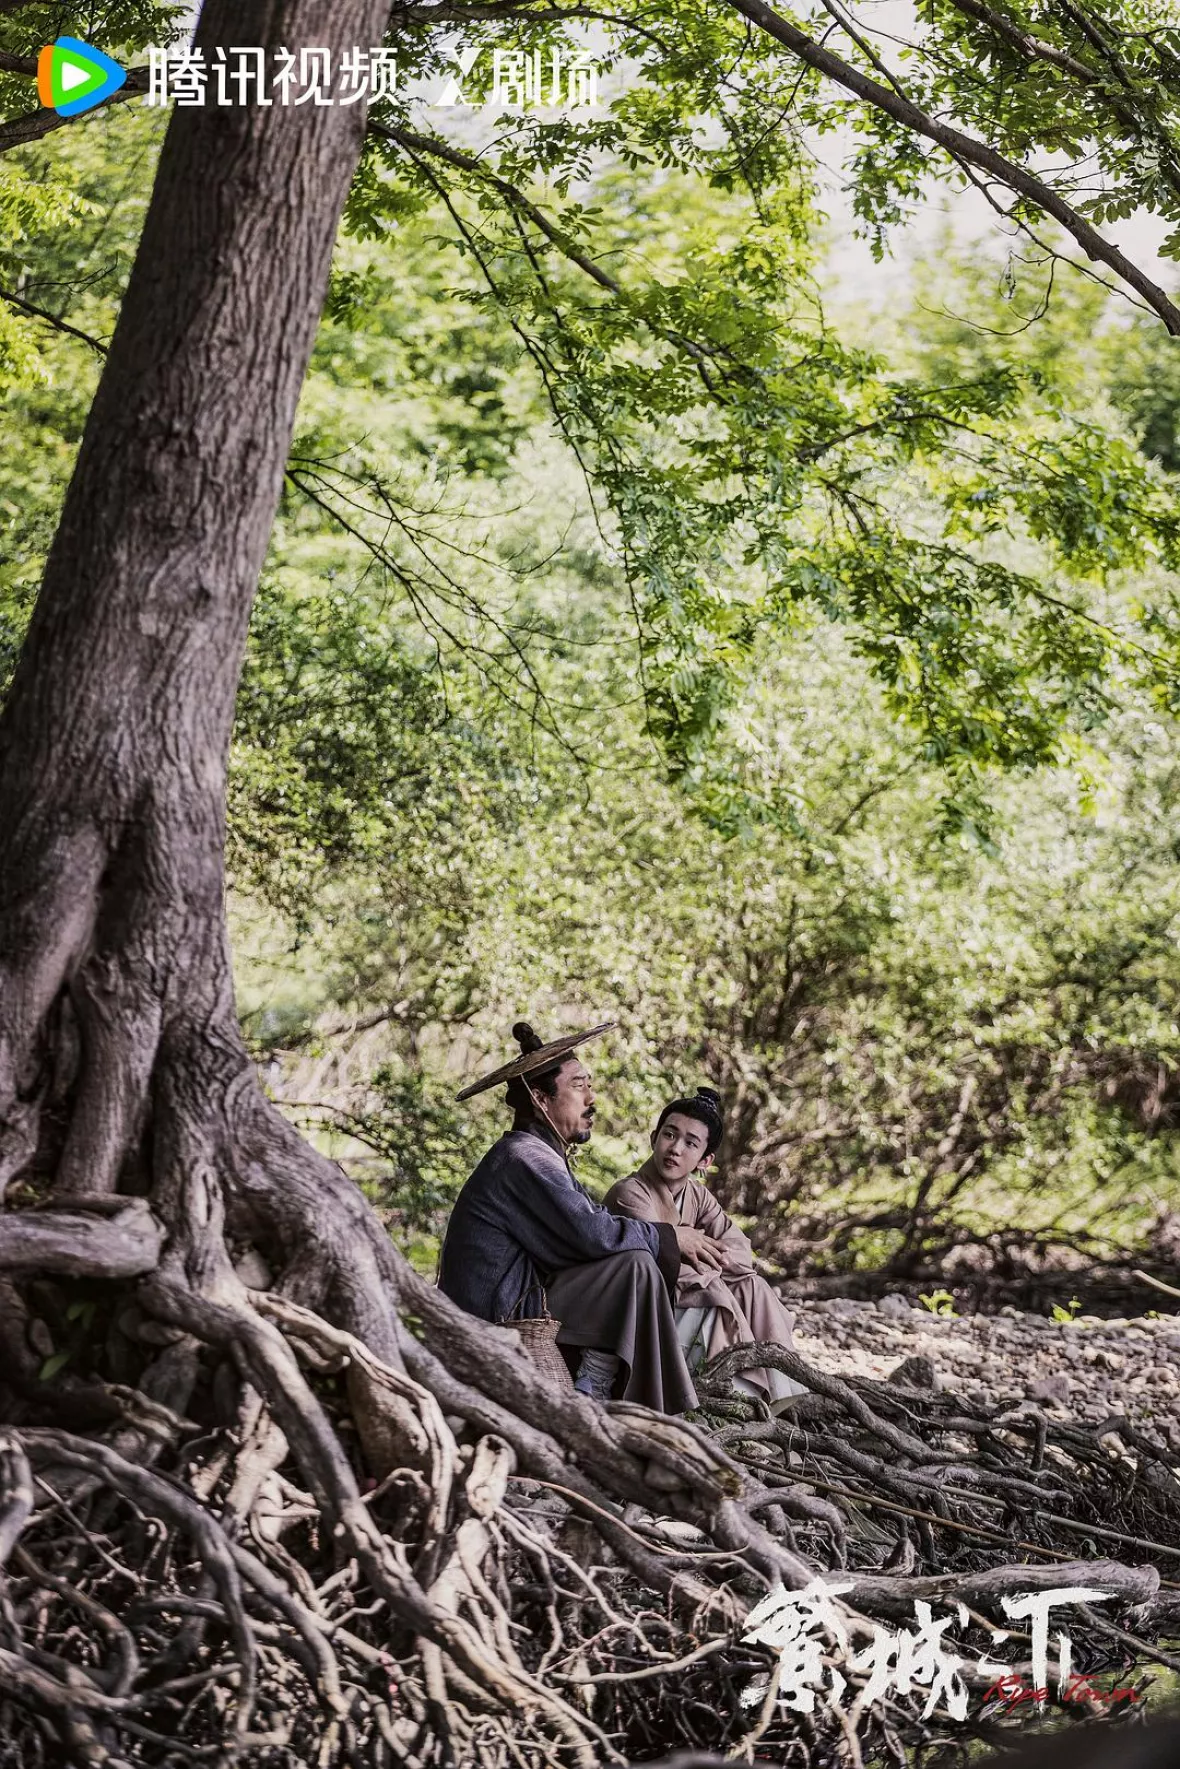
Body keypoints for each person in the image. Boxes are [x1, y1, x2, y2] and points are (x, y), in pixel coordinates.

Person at [439, 1021, 708, 1411]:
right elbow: (591, 1232)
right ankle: (609, 1393)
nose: (592, 1098)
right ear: (540, 1099)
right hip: (495, 1321)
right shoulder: (523, 1158)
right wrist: (669, 1236)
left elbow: (588, 1225)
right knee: (635, 1265)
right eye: (579, 1086)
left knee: (635, 1259)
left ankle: (606, 1384)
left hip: (522, 1304)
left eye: (590, 1085)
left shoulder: (541, 1155)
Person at [604, 1086, 806, 1408]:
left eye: (690, 1143)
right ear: (654, 1137)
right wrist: (691, 1249)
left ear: (705, 1159)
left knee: (752, 1287)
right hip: (644, 1306)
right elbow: (661, 1258)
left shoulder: (698, 1196)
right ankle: (738, 1401)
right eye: (669, 1135)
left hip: (688, 1293)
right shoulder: (631, 1192)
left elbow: (739, 1248)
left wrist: (701, 1253)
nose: (676, 1149)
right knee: (716, 1295)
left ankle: (783, 1398)